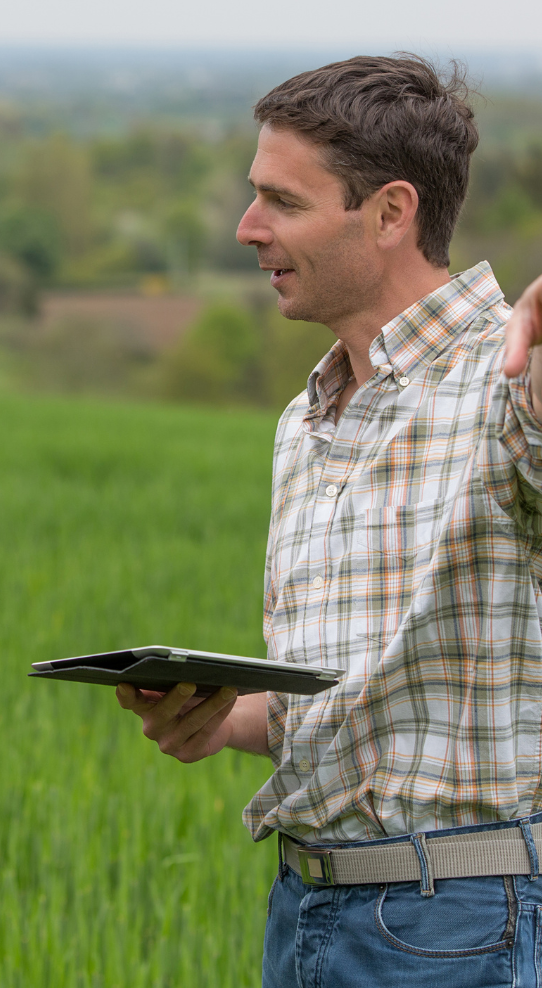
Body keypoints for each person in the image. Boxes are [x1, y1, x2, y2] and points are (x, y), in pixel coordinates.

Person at [117, 54, 542, 986]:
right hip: (308, 909)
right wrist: (223, 720)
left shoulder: (506, 382)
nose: (248, 226)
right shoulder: (307, 419)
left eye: (283, 201)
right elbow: (374, 695)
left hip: (462, 921)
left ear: (391, 214)